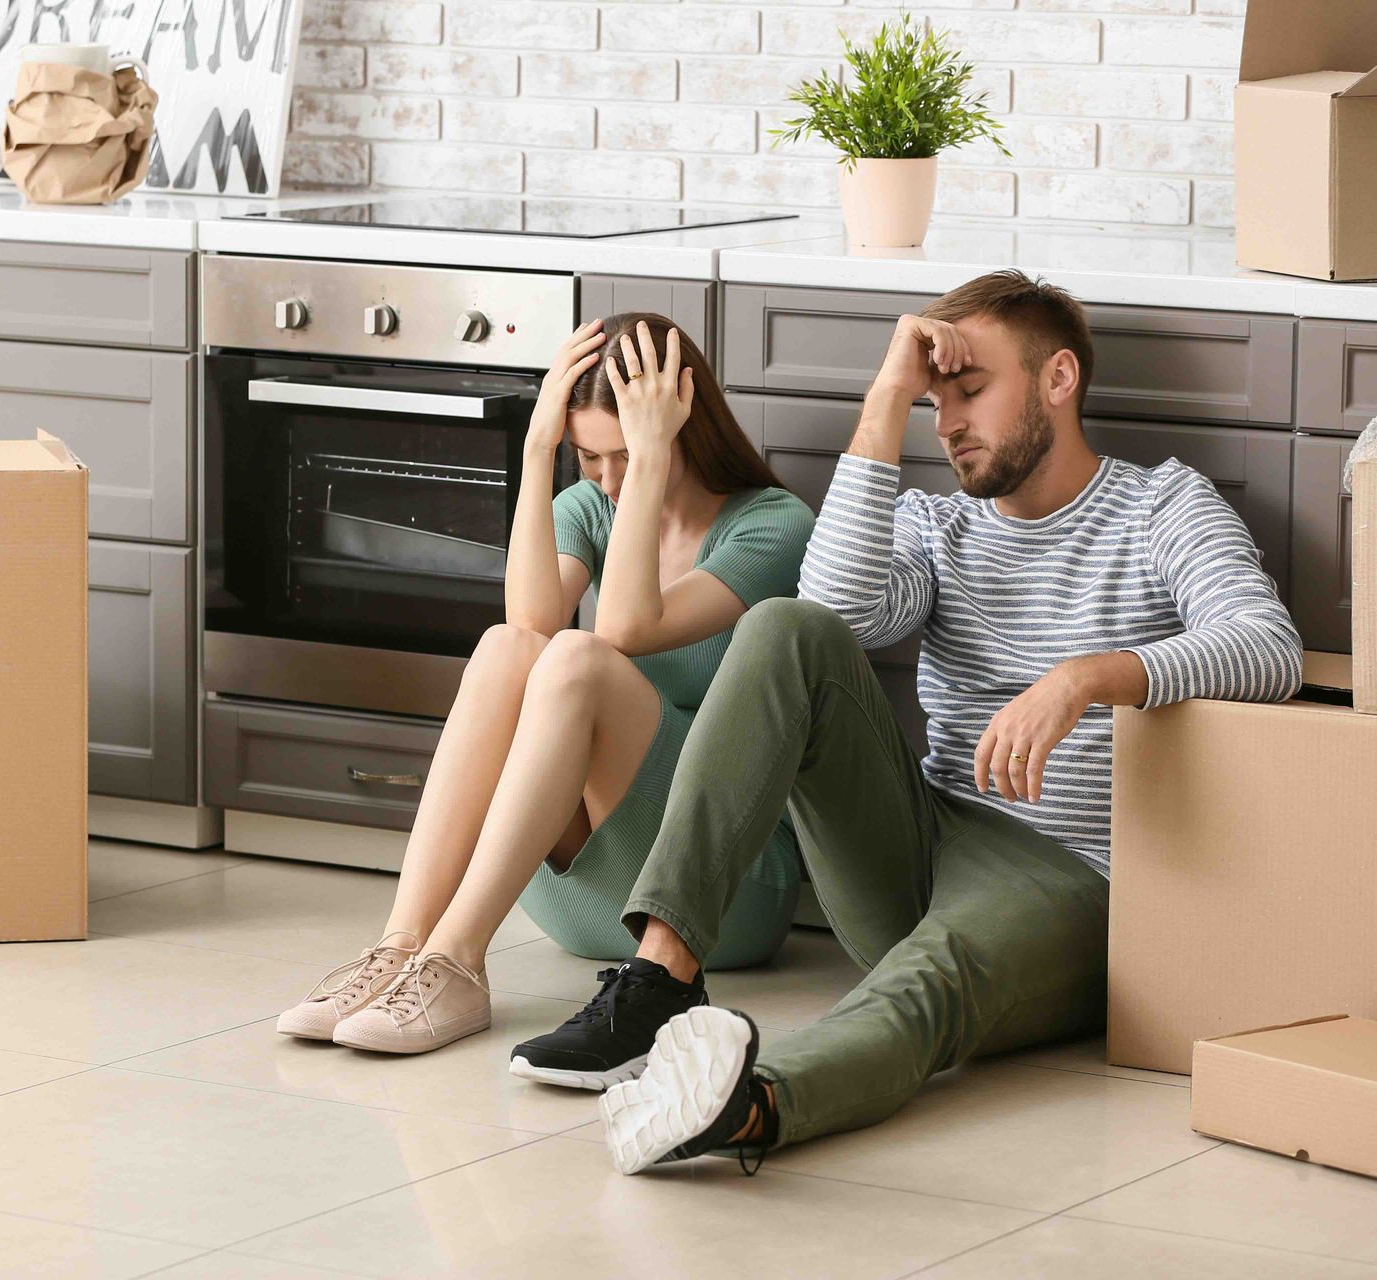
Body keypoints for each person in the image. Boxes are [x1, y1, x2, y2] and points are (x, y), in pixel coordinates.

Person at [519, 271, 1304, 1172]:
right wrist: (884, 401)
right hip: (920, 844)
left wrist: (1088, 677)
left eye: (971, 392)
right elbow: (832, 616)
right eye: (934, 402)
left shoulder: (1162, 506)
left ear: (1058, 379)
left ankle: (746, 1104)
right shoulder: (938, 524)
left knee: (928, 987)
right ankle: (660, 977)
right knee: (784, 626)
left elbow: (1267, 649)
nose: (950, 423)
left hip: (1076, 875)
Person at [275, 314, 816, 1066]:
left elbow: (626, 626)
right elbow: (527, 624)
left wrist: (651, 457)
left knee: (580, 659)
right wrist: (536, 453)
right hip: (579, 900)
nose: (611, 480)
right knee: (511, 647)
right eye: (589, 457)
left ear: (683, 421)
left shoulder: (773, 526)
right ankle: (407, 946)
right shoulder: (589, 506)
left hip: (721, 896)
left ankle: (458, 955)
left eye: (629, 454)